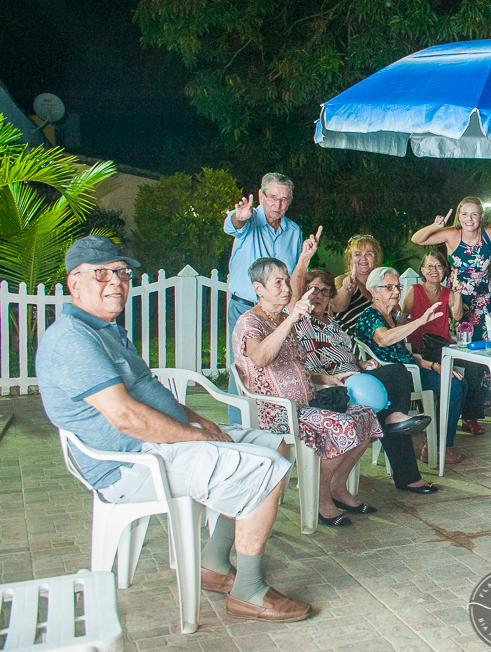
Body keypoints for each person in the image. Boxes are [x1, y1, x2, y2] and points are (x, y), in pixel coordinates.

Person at [38, 236, 311, 623]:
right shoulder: (73, 339)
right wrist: (195, 436)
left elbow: (149, 393)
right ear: (74, 283)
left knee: (273, 444)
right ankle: (248, 591)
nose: (116, 281)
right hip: (130, 464)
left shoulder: (106, 330)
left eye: (121, 272)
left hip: (160, 444)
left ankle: (213, 563)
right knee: (265, 468)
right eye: (101, 273)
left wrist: (199, 420)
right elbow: (127, 417)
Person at [233, 258, 382, 529]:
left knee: (366, 417)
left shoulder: (280, 319)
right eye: (277, 282)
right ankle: (320, 500)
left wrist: (326, 377)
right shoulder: (250, 321)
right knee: (341, 426)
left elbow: (300, 367)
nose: (285, 286)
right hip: (276, 411)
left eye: (286, 280)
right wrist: (290, 319)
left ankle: (337, 487)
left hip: (306, 403)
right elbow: (261, 357)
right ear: (259, 288)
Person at [290, 234, 439, 495]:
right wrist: (304, 259)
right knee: (395, 377)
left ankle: (402, 456)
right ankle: (405, 471)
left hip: (354, 375)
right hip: (332, 383)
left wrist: (358, 362)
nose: (319, 296)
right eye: (313, 291)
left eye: (325, 292)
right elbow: (311, 365)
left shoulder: (332, 324)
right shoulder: (299, 320)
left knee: (391, 391)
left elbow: (344, 352)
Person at [354, 267, 468, 465]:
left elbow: (404, 355)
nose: (396, 292)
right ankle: (442, 446)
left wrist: (433, 366)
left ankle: (438, 443)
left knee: (459, 381)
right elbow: (383, 340)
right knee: (454, 386)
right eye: (388, 287)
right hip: (396, 378)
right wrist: (420, 321)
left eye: (397, 286)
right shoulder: (370, 315)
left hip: (411, 370)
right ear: (373, 291)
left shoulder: (391, 317)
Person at [223, 173, 302, 421]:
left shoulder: (294, 230)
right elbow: (232, 224)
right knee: (244, 369)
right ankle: (240, 428)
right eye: (272, 198)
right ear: (261, 196)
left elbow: (296, 273)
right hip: (245, 308)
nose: (277, 205)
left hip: (280, 311)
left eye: (284, 199)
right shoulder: (251, 218)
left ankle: (274, 425)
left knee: (277, 364)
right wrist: (239, 216)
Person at [402, 253, 487, 436]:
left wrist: (456, 293)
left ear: (445, 271)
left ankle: (469, 417)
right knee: (454, 381)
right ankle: (438, 420)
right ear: (422, 271)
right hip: (420, 349)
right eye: (430, 266)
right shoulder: (414, 290)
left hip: (442, 347)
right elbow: (402, 320)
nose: (434, 270)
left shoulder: (447, 292)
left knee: (475, 366)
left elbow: (457, 316)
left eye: (438, 266)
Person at [411, 197, 491, 340]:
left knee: (485, 337)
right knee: (459, 337)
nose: (469, 219)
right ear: (458, 216)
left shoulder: (488, 234)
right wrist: (435, 227)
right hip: (457, 295)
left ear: (481, 216)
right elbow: (417, 239)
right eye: (465, 214)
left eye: (474, 214)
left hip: (483, 295)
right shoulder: (452, 234)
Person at [332, 235, 383, 334]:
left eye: (368, 254)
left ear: (375, 258)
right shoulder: (341, 280)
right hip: (354, 344)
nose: (363, 258)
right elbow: (337, 306)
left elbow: (398, 314)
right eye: (357, 254)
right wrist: (346, 290)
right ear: (349, 259)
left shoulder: (382, 283)